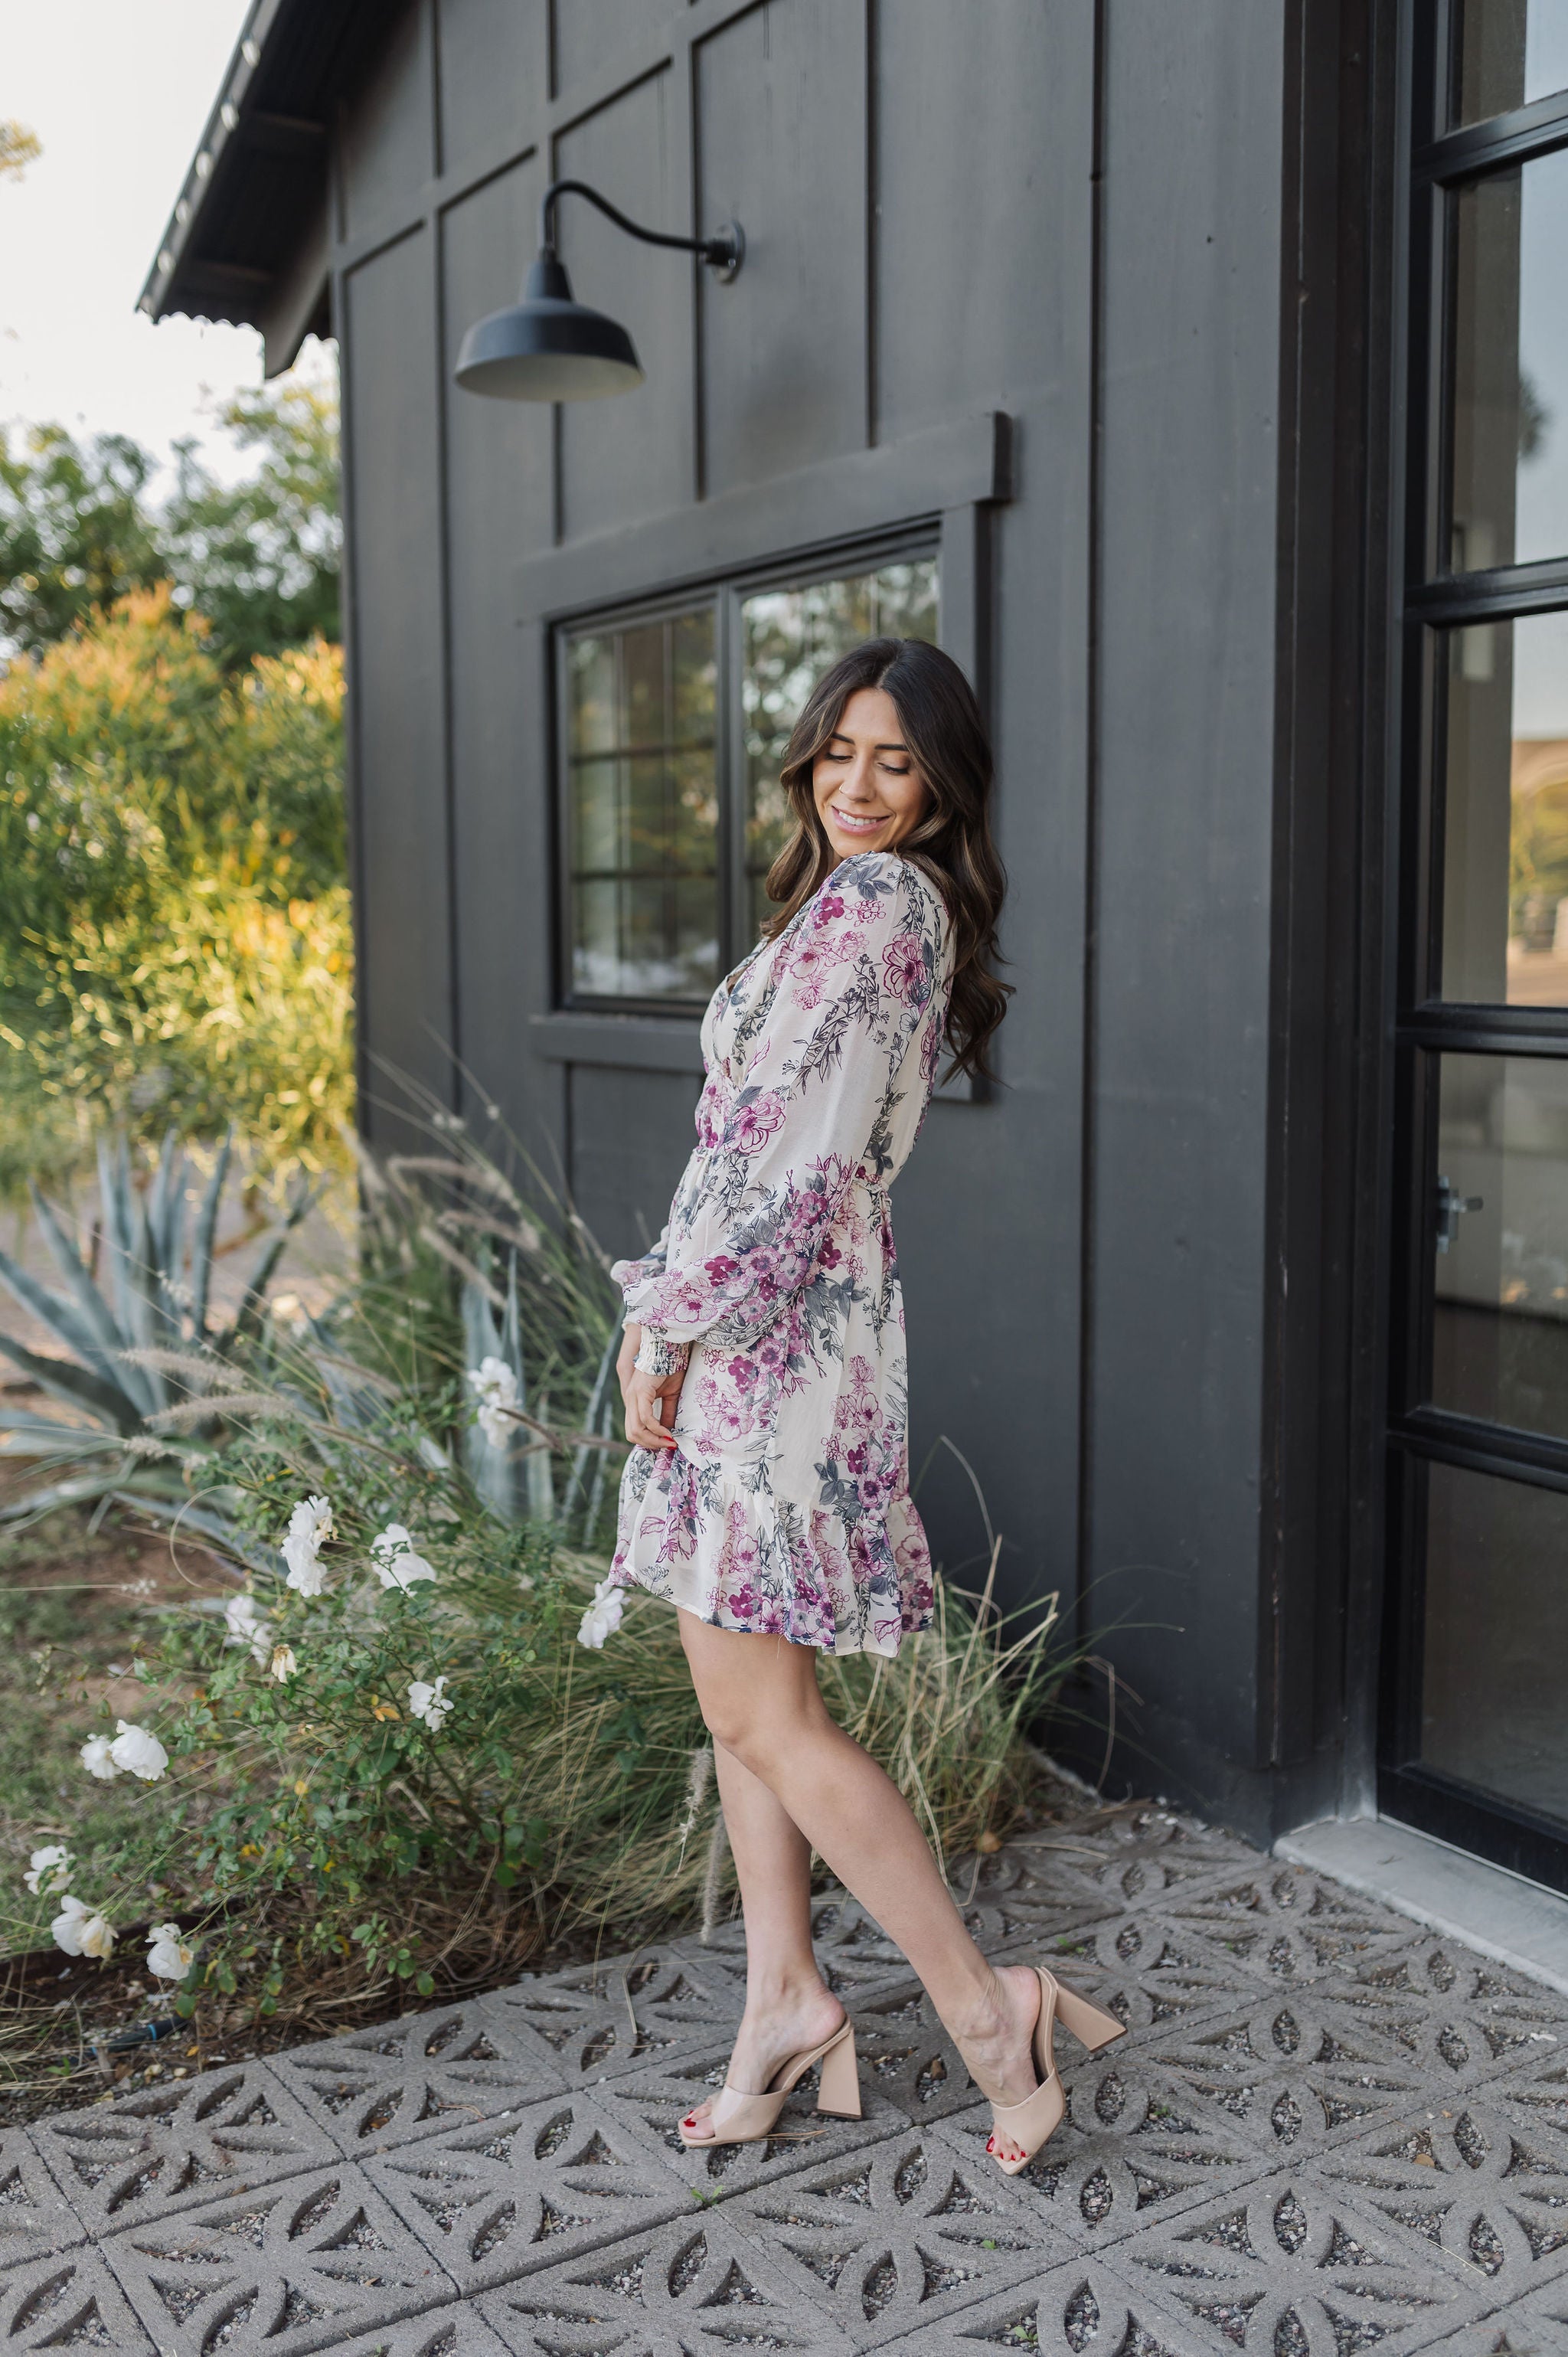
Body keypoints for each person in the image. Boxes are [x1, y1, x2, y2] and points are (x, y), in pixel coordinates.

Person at [608, 636, 1122, 2172]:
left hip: (760, 1346)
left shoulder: (883, 909)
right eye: (838, 753)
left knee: (756, 1711)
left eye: (893, 760)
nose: (856, 785)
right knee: (757, 1711)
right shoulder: (858, 907)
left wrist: (672, 1329)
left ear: (942, 781)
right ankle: (783, 1999)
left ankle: (985, 2010)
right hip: (770, 1335)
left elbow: (789, 1167)